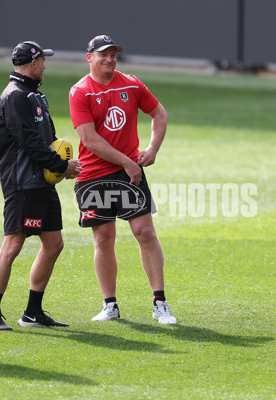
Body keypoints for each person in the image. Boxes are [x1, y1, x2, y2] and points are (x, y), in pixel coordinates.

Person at [69, 35, 175, 324]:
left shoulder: (131, 83)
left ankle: (160, 302)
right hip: (94, 176)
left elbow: (159, 114)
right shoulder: (80, 92)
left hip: (129, 173)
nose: (109, 59)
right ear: (89, 57)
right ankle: (110, 305)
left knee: (145, 232)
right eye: (103, 54)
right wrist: (129, 162)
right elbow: (89, 140)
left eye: (113, 54)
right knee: (104, 239)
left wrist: (152, 149)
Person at [0, 41, 81, 331]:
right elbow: (29, 143)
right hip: (21, 183)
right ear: (34, 63)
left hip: (41, 183)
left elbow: (47, 141)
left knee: (54, 244)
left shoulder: (36, 97)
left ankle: (32, 312)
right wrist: (62, 166)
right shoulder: (14, 97)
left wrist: (57, 166)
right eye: (43, 61)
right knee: (13, 244)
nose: (46, 66)